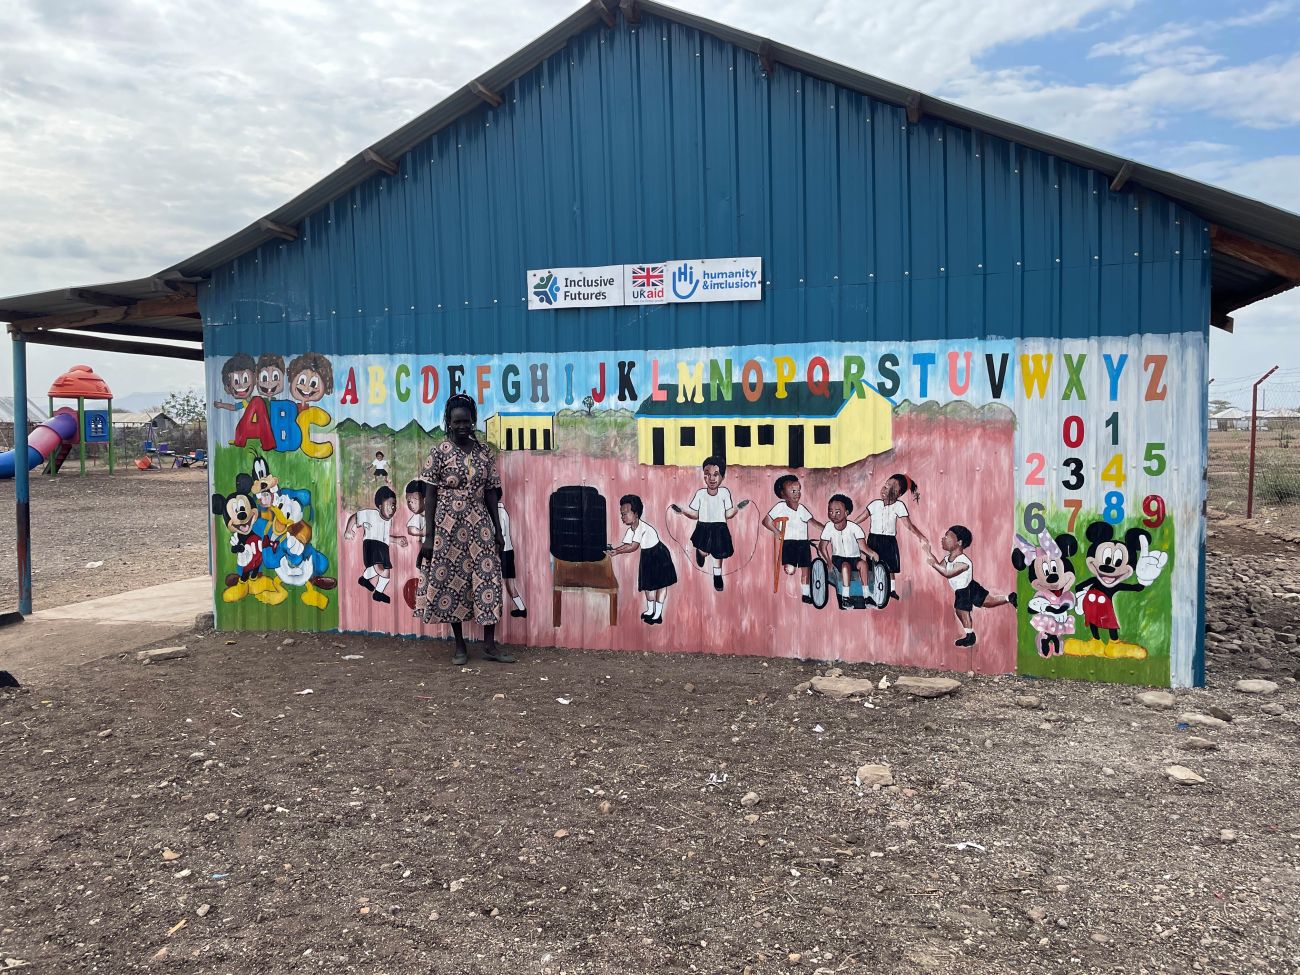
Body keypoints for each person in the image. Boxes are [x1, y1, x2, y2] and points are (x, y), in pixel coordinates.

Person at [413, 394, 514, 665]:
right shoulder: (439, 452)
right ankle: (460, 646)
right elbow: (430, 496)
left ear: (473, 422)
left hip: (480, 523)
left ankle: (490, 645)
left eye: (466, 421)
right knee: (453, 582)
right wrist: (430, 536)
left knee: (488, 577)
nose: (462, 426)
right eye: (456, 421)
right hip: (448, 525)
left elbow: (492, 492)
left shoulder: (483, 453)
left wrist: (497, 529)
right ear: (448, 422)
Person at [926, 525, 1016, 647]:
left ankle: (970, 636)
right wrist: (928, 553)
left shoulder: (964, 561)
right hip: (971, 587)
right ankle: (1009, 598)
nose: (943, 538)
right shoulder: (947, 558)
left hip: (965, 590)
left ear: (959, 542)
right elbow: (940, 567)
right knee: (988, 601)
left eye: (947, 536)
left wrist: (933, 564)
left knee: (961, 610)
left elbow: (948, 573)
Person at [670, 455, 749, 591]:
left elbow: (728, 514)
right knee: (705, 550)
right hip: (703, 527)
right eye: (707, 474)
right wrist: (682, 511)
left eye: (716, 475)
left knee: (719, 554)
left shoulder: (724, 493)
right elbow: (695, 514)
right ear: (704, 476)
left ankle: (717, 576)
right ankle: (701, 553)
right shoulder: (700, 494)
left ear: (722, 477)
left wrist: (737, 507)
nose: (712, 478)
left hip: (720, 528)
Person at [853, 472, 927, 601]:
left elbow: (908, 525)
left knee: (890, 566)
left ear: (898, 494)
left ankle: (892, 590)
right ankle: (872, 589)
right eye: (885, 486)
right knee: (872, 565)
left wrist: (920, 536)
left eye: (890, 488)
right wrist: (851, 525)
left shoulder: (899, 506)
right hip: (874, 539)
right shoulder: (875, 504)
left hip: (889, 540)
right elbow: (862, 517)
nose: (884, 489)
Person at [608, 494, 677, 624]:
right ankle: (651, 611)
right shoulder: (631, 530)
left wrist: (616, 552)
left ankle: (658, 614)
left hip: (659, 555)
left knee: (661, 586)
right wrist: (616, 550)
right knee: (648, 587)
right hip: (647, 556)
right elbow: (627, 544)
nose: (622, 517)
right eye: (621, 514)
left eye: (625, 513)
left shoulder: (641, 528)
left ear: (636, 514)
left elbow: (633, 546)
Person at [762, 473, 824, 604]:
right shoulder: (780, 507)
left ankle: (805, 594)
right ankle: (789, 567)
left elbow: (812, 521)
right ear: (783, 494)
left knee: (806, 568)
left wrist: (826, 529)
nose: (797, 493)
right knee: (790, 569)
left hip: (803, 543)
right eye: (793, 491)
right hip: (789, 543)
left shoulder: (802, 509)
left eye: (799, 490)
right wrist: (777, 531)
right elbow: (766, 521)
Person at [343, 485, 407, 604]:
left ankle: (374, 589)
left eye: (394, 505)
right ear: (380, 506)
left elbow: (384, 537)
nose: (392, 508)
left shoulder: (389, 521)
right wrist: (348, 530)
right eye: (389, 505)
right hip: (371, 545)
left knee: (386, 572)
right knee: (380, 569)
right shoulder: (371, 514)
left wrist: (397, 540)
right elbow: (354, 517)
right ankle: (366, 581)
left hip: (383, 547)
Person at [819, 494, 877, 609]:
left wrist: (872, 554)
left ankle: (867, 595)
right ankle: (845, 596)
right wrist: (829, 562)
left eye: (837, 512)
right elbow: (822, 547)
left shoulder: (854, 528)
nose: (833, 515)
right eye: (830, 512)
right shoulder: (829, 527)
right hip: (838, 558)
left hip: (854, 558)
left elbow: (863, 547)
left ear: (846, 512)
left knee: (863, 564)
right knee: (845, 566)